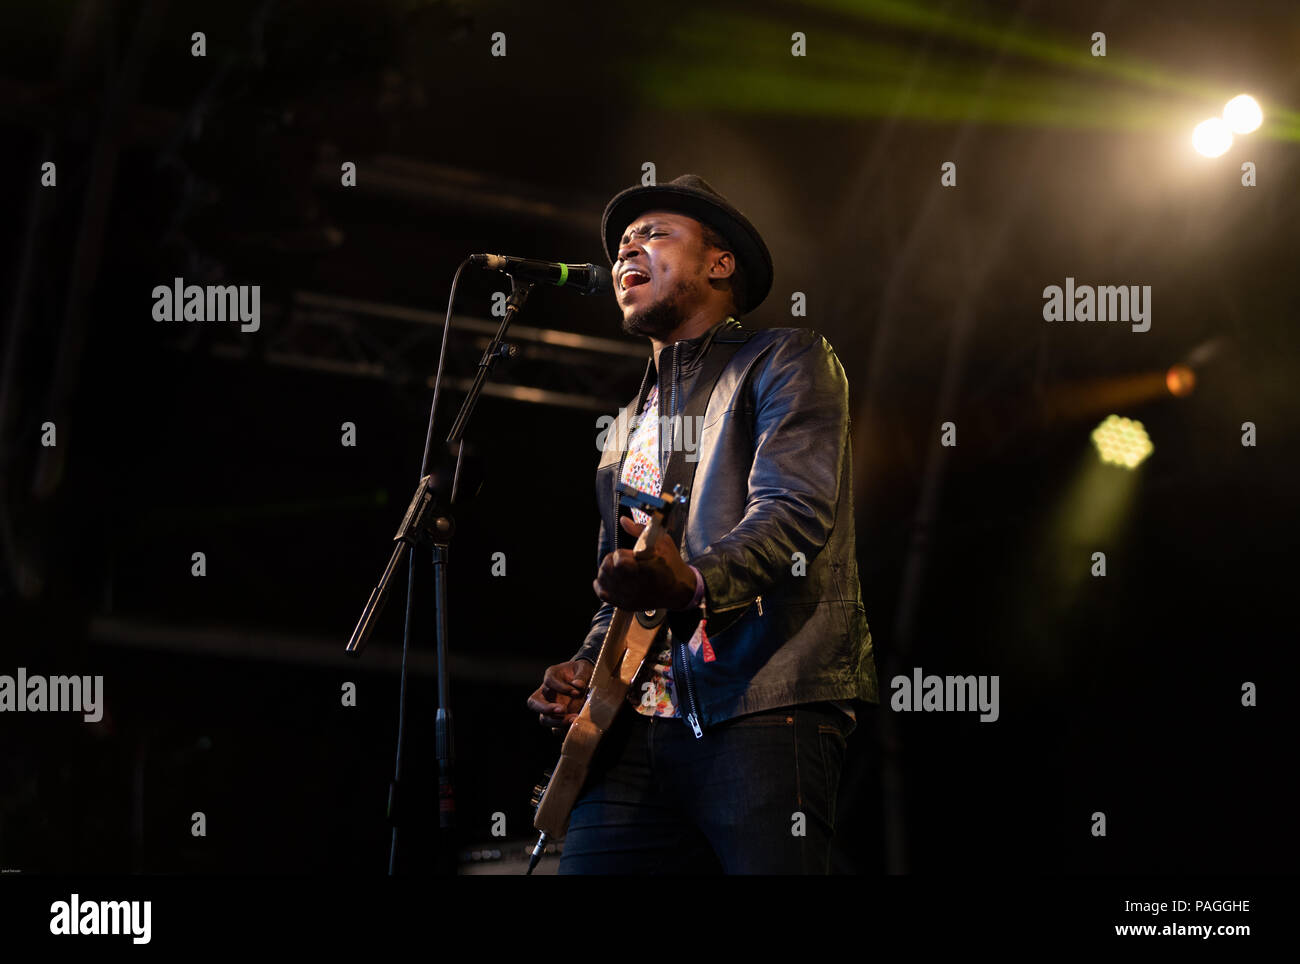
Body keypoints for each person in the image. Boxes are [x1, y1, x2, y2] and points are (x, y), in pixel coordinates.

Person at [525, 174, 878, 873]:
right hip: (632, 724)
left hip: (762, 704)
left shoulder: (787, 360)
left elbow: (793, 511)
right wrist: (587, 662)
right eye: (624, 241)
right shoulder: (624, 428)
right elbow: (622, 585)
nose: (630, 247)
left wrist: (690, 583)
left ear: (720, 264)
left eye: (655, 233)